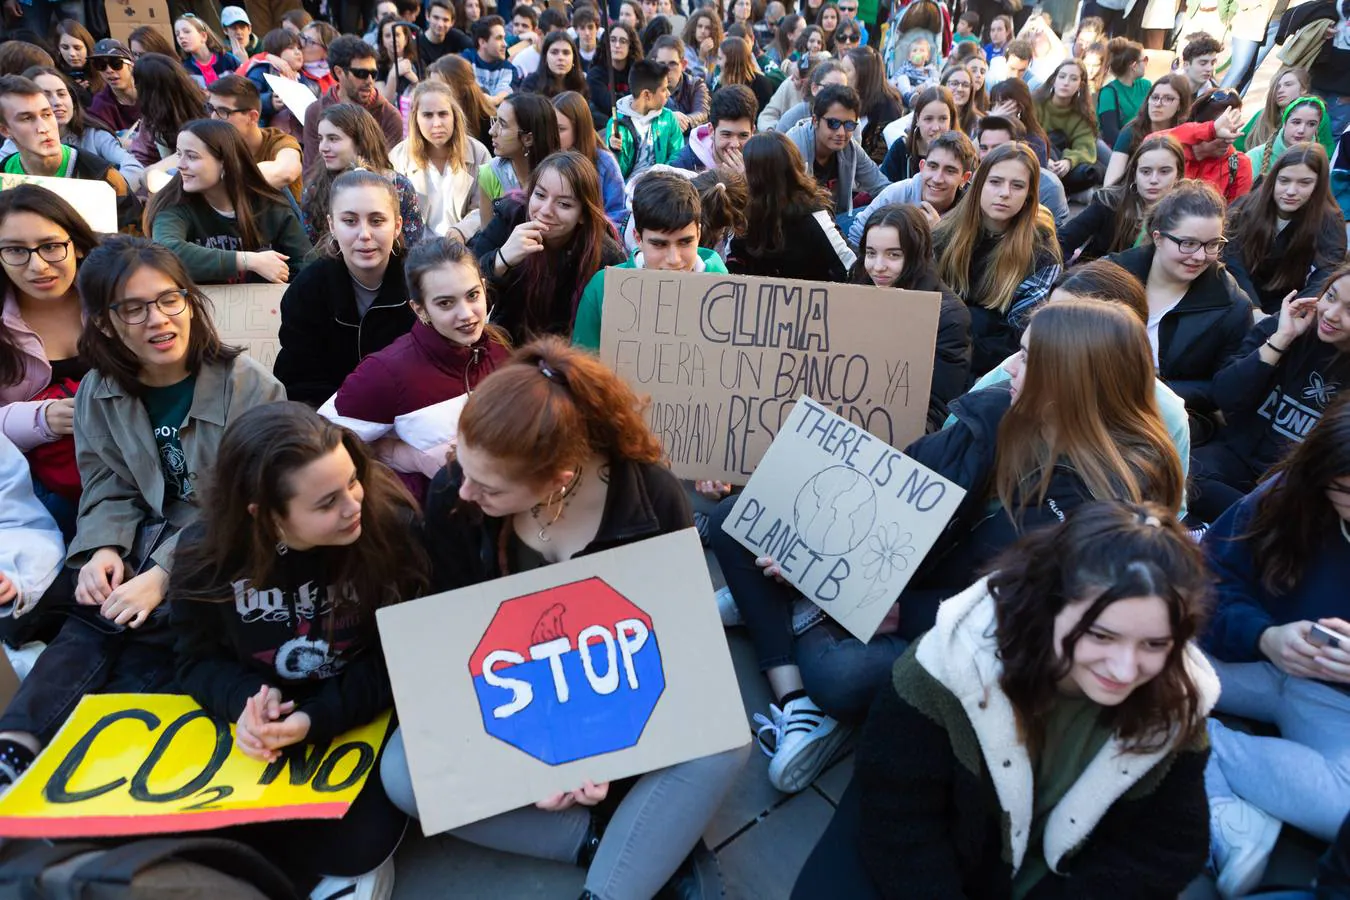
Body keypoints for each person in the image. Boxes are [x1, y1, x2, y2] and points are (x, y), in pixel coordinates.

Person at [712, 298, 1186, 793]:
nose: (1008, 365)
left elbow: (1025, 622)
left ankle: (787, 611)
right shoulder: (995, 411)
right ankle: (794, 700)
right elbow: (898, 479)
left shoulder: (1112, 506)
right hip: (893, 574)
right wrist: (819, 549)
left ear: (1067, 381)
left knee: (842, 674)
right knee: (735, 521)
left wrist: (900, 611)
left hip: (958, 634)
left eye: (1026, 358)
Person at [378, 335, 748, 899]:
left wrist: (602, 753)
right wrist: (536, 756)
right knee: (403, 773)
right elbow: (452, 642)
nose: (466, 490)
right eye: (464, 463)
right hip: (516, 697)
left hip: (622, 696)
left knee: (725, 739)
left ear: (557, 481)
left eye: (491, 487)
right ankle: (606, 842)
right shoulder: (456, 493)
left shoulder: (650, 497)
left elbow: (679, 646)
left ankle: (614, 874)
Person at [793, 501, 1217, 899]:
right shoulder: (942, 671)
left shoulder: (1176, 703)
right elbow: (899, 821)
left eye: (1154, 644)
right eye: (1101, 636)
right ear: (1050, 605)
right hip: (930, 864)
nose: (1125, 669)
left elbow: (1168, 846)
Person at [0, 236, 284, 790]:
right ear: (104, 323)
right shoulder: (99, 391)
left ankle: (128, 761)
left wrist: (163, 576)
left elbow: (251, 503)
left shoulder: (247, 384)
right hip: (146, 536)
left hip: (233, 543)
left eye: (170, 299)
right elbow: (106, 482)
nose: (158, 319)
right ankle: (16, 742)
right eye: (133, 308)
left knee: (156, 629)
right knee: (94, 613)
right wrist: (103, 548)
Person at [168, 401, 423, 897]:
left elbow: (404, 656)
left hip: (357, 710)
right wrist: (243, 703)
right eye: (327, 502)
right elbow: (193, 658)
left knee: (355, 845)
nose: (354, 504)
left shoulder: (390, 528)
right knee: (211, 845)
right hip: (261, 726)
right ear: (263, 516)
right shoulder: (206, 555)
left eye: (353, 480)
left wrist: (317, 719)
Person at [1200, 400, 1350, 897]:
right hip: (1251, 660)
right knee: (1119, 665)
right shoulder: (1287, 497)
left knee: (1344, 814)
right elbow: (1205, 578)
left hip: (1336, 702)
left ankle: (1200, 748)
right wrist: (1263, 636)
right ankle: (1225, 808)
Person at [332, 236, 509, 498]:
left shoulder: (499, 352)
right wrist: (410, 458)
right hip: (430, 526)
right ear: (420, 309)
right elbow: (326, 441)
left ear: (484, 289)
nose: (467, 314)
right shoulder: (385, 372)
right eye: (445, 303)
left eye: (472, 295)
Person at [1191, 266, 1350, 523]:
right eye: (1330, 297)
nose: (1331, 314)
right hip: (1236, 457)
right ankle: (1259, 526)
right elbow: (1225, 395)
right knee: (1186, 474)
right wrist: (1281, 339)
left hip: (1296, 485)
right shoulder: (1287, 325)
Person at [1106, 179, 1254, 417]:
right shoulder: (1113, 273)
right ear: (1158, 237)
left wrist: (1150, 389)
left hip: (1167, 416)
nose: (1199, 256)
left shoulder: (1232, 306)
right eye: (1188, 243)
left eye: (1212, 244)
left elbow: (1223, 386)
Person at [0, 185, 98, 536]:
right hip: (36, 487)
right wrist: (41, 419)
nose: (37, 265)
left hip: (134, 463)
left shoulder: (115, 298)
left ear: (79, 244)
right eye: (15, 250)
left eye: (51, 246)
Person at [276, 170, 414, 407]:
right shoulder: (308, 290)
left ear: (398, 225)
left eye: (377, 220)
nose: (364, 234)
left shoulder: (420, 282)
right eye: (349, 221)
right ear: (332, 225)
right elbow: (299, 383)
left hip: (407, 414)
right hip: (329, 418)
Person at [933, 141, 1060, 379]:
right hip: (934, 349)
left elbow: (1018, 338)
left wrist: (956, 351)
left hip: (994, 368)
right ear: (979, 184)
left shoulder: (1041, 252)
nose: (1004, 193)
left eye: (1017, 185)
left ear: (1029, 195)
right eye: (995, 182)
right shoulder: (943, 235)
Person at [475, 149, 626, 341]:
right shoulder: (510, 218)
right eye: (540, 195)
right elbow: (464, 290)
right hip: (507, 348)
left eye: (564, 204)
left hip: (571, 358)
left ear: (583, 214)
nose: (546, 211)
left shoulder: (604, 254)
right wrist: (501, 260)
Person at [573, 169, 730, 350]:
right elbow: (582, 365)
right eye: (659, 244)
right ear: (638, 239)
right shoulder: (603, 289)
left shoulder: (724, 288)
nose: (674, 259)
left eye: (685, 242)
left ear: (699, 233)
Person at [145, 119, 310, 287]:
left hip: (263, 307)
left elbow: (306, 264)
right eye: (179, 154)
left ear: (225, 162)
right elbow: (166, 252)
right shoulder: (174, 203)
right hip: (198, 307)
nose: (180, 165)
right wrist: (248, 260)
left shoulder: (268, 204)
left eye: (192, 156)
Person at [852, 203, 970, 431]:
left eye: (893, 255)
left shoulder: (949, 317)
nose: (878, 267)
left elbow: (937, 407)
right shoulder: (858, 288)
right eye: (870, 253)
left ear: (917, 255)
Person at [0, 76, 142, 234]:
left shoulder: (101, 176)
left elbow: (132, 243)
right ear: (5, 130)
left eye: (47, 115)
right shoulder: (3, 176)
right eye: (27, 118)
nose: (43, 128)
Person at [1225, 143, 1345, 315]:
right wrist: (1252, 307)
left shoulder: (1329, 219)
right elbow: (1231, 260)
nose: (1291, 191)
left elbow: (1326, 274)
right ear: (1274, 178)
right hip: (1239, 297)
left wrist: (1290, 313)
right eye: (1284, 180)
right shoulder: (1247, 206)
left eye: (1304, 183)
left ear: (1318, 185)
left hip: (1288, 305)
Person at [728, 131, 855, 281]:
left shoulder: (813, 214)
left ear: (758, 178)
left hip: (810, 300)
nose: (739, 172)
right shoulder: (744, 211)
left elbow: (850, 267)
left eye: (745, 167)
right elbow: (731, 265)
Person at [3, 66, 144, 196]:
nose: (57, 102)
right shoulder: (9, 156)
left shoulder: (94, 135)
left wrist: (106, 198)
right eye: (46, 95)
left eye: (62, 94)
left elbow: (134, 167)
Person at [302, 103, 426, 249]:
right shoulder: (314, 189)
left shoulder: (398, 187)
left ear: (360, 142)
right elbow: (310, 249)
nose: (323, 147)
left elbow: (414, 248)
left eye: (333, 138)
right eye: (320, 138)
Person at [391, 80, 491, 242]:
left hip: (466, 248)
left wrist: (461, 231)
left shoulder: (479, 153)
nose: (436, 123)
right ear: (415, 117)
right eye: (428, 115)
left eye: (443, 114)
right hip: (415, 253)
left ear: (454, 115)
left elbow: (486, 208)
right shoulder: (398, 157)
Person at [1060, 134, 1183, 262]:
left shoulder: (1186, 213)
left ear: (1178, 175)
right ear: (1135, 174)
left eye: (1164, 171)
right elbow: (1063, 241)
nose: (1153, 180)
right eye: (1145, 171)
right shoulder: (1109, 202)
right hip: (1097, 277)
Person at [848, 129, 977, 245]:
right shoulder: (897, 194)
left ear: (964, 179)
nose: (937, 179)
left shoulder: (971, 213)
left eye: (950, 171)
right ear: (922, 167)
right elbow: (856, 236)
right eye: (932, 166)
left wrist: (937, 235)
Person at [301, 36, 404, 173]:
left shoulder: (389, 116)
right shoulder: (315, 111)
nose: (369, 81)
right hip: (326, 191)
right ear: (339, 72)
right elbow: (311, 172)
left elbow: (390, 173)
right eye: (361, 73)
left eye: (373, 74)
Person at [786, 84, 889, 220]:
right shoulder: (793, 147)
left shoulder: (850, 148)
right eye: (833, 123)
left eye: (849, 125)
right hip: (799, 224)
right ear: (815, 121)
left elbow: (882, 187)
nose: (841, 133)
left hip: (835, 222)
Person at [206, 74, 304, 201]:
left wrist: (221, 180)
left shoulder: (280, 141)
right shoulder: (212, 141)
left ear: (252, 117)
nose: (213, 117)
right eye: (211, 108)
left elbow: (286, 172)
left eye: (223, 111)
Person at [478, 92, 560, 229]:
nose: (492, 131)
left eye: (502, 125)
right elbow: (486, 242)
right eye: (495, 121)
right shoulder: (490, 173)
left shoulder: (563, 176)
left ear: (528, 139)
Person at [971, 113, 1070, 228]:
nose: (989, 155)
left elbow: (1052, 240)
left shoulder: (1049, 187)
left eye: (998, 148)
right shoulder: (977, 177)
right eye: (984, 148)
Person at [551, 90, 626, 225]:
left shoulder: (605, 162)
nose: (552, 136)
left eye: (561, 129)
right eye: (549, 128)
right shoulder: (544, 157)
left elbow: (617, 214)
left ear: (579, 129)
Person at [1161, 96, 1253, 205]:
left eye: (1234, 131)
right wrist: (1211, 129)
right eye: (1223, 133)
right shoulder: (1175, 151)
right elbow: (1149, 141)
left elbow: (1236, 213)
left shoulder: (1238, 164)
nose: (1229, 140)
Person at [1103, 73, 1192, 186]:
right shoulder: (1132, 130)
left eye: (1168, 98)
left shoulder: (1186, 132)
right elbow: (1110, 182)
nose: (1158, 104)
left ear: (1180, 105)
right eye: (1155, 97)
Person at [607, 58, 682, 179]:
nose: (668, 93)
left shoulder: (668, 118)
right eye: (663, 90)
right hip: (630, 189)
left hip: (663, 183)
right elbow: (617, 173)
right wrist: (615, 151)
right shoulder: (616, 124)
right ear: (646, 94)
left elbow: (677, 155)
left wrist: (661, 177)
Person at [127, 52, 206, 168]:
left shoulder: (156, 122)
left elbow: (144, 159)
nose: (135, 88)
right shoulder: (203, 102)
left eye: (137, 85)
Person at [1034, 59, 1101, 193]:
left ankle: (1058, 188)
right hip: (1038, 157)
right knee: (1052, 138)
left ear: (1080, 85)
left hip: (1062, 165)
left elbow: (1085, 148)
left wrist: (1068, 162)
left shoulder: (1083, 113)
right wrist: (1046, 159)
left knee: (1094, 171)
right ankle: (1066, 191)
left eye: (1073, 79)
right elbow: (1026, 136)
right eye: (1062, 76)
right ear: (1054, 79)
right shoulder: (1036, 102)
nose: (1066, 83)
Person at [671, 83, 755, 174]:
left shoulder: (761, 163)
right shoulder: (682, 167)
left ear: (752, 132)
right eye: (726, 134)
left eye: (743, 135)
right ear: (711, 131)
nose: (735, 144)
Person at [879, 84, 957, 181]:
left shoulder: (959, 153)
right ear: (917, 119)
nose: (936, 127)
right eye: (928, 119)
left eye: (943, 119)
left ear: (951, 120)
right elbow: (883, 186)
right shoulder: (902, 148)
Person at [1246, 96, 1334, 181]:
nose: (1301, 130)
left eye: (1311, 124)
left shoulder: (1321, 161)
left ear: (1317, 128)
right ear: (1284, 123)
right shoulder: (1255, 157)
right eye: (1296, 122)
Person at [842, 46, 901, 165]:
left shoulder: (888, 106)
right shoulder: (843, 97)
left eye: (847, 70)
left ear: (864, 74)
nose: (842, 75)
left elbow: (881, 155)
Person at [1237, 65, 1309, 153]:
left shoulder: (1317, 116)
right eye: (1277, 87)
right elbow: (1236, 148)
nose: (1280, 90)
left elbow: (1326, 153)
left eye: (1288, 84)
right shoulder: (1261, 115)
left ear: (1303, 89)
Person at [587, 22, 644, 129]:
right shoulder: (595, 74)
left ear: (630, 46)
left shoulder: (637, 73)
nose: (617, 45)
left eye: (623, 41)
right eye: (612, 40)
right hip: (603, 127)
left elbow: (640, 103)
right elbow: (609, 105)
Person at [1094, 36, 1148, 147]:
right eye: (1145, 60)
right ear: (1134, 65)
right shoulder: (1109, 93)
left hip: (1147, 142)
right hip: (1122, 148)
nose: (1147, 64)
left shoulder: (1146, 85)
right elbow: (1111, 134)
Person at [771, 56, 847, 134]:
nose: (837, 94)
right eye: (829, 87)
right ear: (814, 89)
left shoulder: (850, 119)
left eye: (843, 89)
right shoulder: (794, 117)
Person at [653, 35, 709, 134]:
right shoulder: (646, 86)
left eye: (672, 64)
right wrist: (668, 118)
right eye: (661, 64)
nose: (666, 70)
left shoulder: (695, 85)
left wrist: (681, 120)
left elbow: (702, 114)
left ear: (683, 65)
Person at [986, 75, 1049, 164]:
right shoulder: (987, 130)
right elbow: (973, 157)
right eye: (994, 104)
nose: (997, 110)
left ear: (1019, 107)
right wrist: (990, 123)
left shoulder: (1035, 141)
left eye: (1002, 104)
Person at [86, 39, 140, 140]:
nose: (109, 70)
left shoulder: (151, 93)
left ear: (131, 64)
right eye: (100, 65)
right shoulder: (100, 105)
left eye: (116, 63)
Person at [465, 16, 522, 105]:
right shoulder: (464, 61)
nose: (505, 44)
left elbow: (504, 95)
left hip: (494, 117)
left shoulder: (510, 70)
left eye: (504, 38)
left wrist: (494, 100)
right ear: (482, 42)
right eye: (499, 38)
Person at [175, 14, 240, 89]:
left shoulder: (228, 60)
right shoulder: (185, 70)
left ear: (203, 36)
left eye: (186, 31)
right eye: (177, 34)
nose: (181, 36)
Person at [375, 15, 421, 114]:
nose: (393, 39)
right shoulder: (378, 65)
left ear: (406, 39)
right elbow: (385, 103)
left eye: (397, 35)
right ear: (382, 41)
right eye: (388, 36)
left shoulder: (417, 62)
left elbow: (425, 95)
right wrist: (393, 74)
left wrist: (414, 80)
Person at [520, 30, 587, 97]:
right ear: (545, 57)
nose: (561, 58)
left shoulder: (582, 84)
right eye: (554, 52)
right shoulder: (530, 84)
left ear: (574, 58)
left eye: (566, 53)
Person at [53, 18, 100, 105]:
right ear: (58, 49)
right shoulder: (54, 75)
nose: (72, 54)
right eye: (65, 48)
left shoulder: (102, 69)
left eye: (77, 48)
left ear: (88, 47)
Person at [420, 0, 473, 65]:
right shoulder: (418, 44)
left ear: (452, 22)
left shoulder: (455, 36)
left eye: (445, 20)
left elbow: (475, 46)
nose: (440, 24)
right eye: (436, 18)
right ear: (427, 16)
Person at [298, 21, 339, 96]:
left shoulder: (334, 83)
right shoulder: (286, 62)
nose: (301, 43)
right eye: (301, 37)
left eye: (309, 41)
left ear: (327, 52)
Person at [939, 63, 980, 137]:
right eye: (954, 83)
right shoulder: (929, 113)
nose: (960, 89)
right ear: (943, 85)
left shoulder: (978, 123)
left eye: (965, 85)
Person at [681, 8, 723, 79]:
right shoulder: (686, 50)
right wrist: (701, 58)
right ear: (694, 28)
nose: (703, 31)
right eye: (700, 26)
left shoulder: (717, 51)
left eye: (707, 28)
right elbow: (697, 80)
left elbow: (712, 81)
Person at [1180, 31, 1221, 98]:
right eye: (1203, 63)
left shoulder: (1214, 93)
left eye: (1212, 63)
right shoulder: (1167, 89)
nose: (1210, 68)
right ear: (1186, 65)